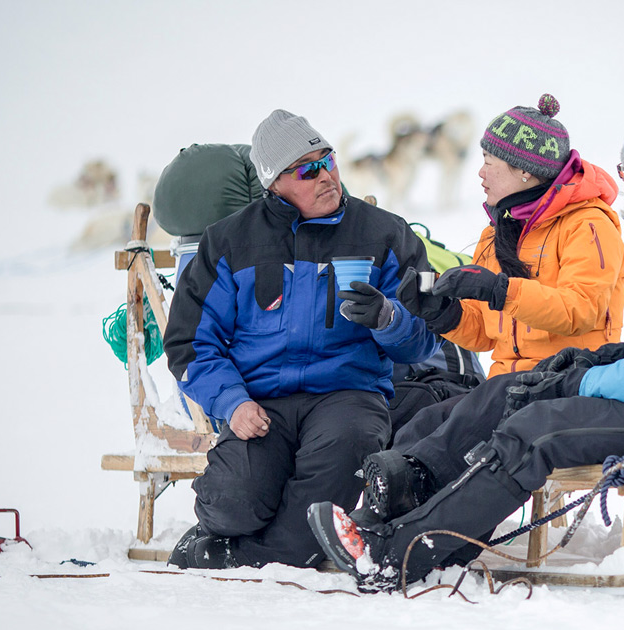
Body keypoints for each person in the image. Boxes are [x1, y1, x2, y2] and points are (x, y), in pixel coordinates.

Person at [307, 100, 624, 592]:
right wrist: (439, 310)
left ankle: (398, 555)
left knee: (535, 432)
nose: (622, 180)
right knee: (490, 405)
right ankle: (387, 521)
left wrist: (579, 373)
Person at [162, 109, 439, 570]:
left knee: (332, 485)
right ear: (273, 183)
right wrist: (232, 402)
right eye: (306, 169)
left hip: (346, 396)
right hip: (259, 402)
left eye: (327, 159)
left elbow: (425, 339)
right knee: (232, 502)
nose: (326, 175)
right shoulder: (229, 242)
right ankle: (240, 535)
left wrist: (390, 319)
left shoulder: (385, 234)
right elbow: (190, 345)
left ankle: (244, 556)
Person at [386, 93, 624, 455]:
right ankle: (380, 510)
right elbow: (484, 334)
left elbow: (581, 310)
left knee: (440, 447)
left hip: (568, 386)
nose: (480, 173)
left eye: (489, 162)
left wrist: (499, 289)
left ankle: (394, 511)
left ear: (524, 170)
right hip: (506, 389)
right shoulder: (497, 232)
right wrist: (439, 311)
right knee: (417, 430)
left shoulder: (588, 225)